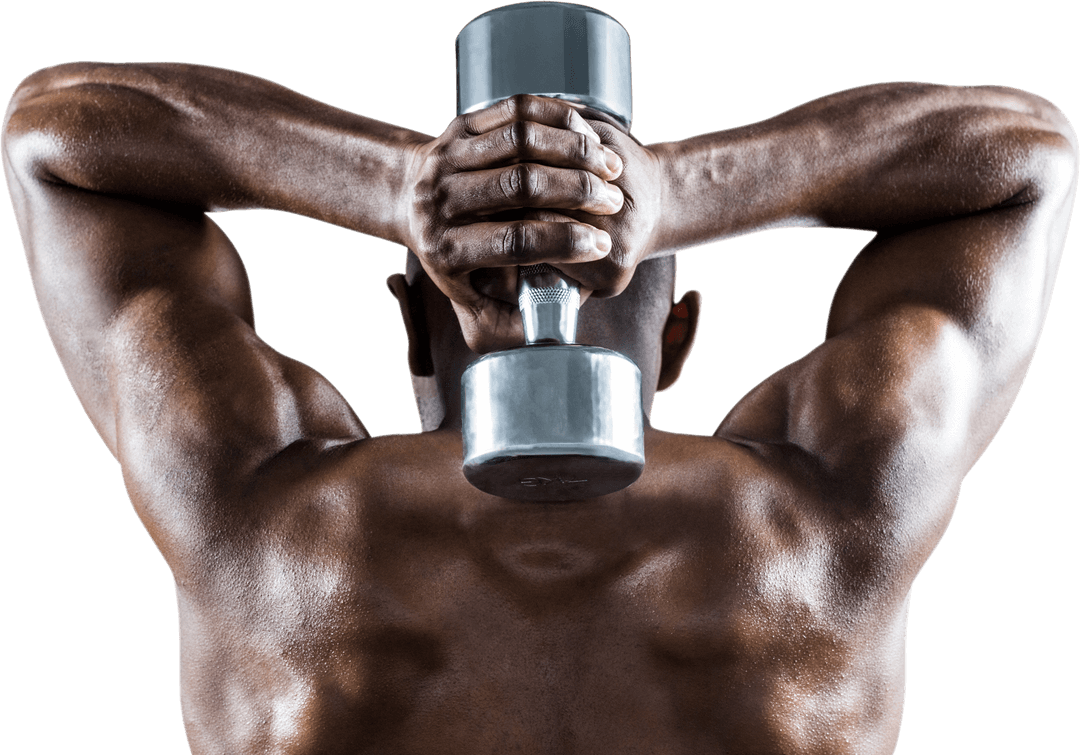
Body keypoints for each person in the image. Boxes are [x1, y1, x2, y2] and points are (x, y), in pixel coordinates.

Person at [2, 60, 1074, 755]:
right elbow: (1028, 161)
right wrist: (676, 193)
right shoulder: (824, 519)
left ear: (413, 324)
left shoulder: (261, 519)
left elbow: (53, 141)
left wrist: (392, 183)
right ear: (678, 337)